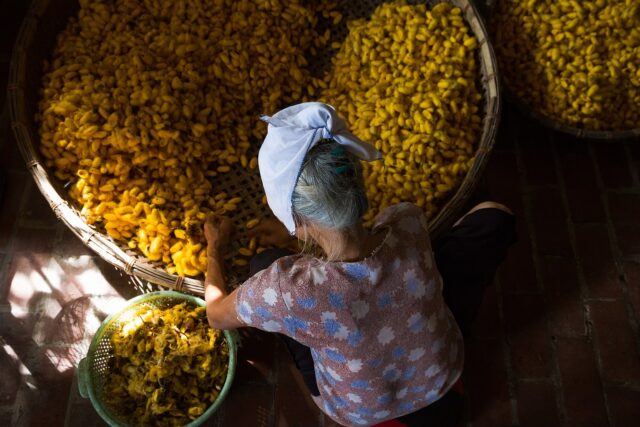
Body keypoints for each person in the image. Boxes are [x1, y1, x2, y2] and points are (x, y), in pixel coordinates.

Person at [202, 102, 516, 427]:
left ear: (296, 220)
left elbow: (216, 315)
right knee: (491, 218)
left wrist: (215, 247)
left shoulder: (287, 289)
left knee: (262, 263)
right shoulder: (407, 220)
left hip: (361, 411)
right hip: (441, 376)